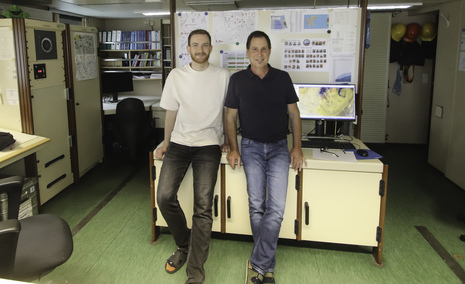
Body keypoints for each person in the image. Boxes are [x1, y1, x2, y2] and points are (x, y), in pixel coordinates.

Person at [224, 30, 306, 284]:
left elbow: (294, 114)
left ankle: (258, 264)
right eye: (255, 49)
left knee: (277, 208)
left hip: (280, 147)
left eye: (264, 49)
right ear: (248, 52)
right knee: (257, 205)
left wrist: (297, 147)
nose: (259, 54)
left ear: (270, 52)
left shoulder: (282, 78)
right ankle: (267, 267)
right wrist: (234, 147)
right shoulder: (237, 80)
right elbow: (230, 117)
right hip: (250, 147)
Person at [155, 29, 230, 284]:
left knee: (203, 207)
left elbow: (230, 113)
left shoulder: (223, 76)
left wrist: (230, 142)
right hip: (178, 142)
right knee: (164, 197)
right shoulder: (176, 75)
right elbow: (171, 113)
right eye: (195, 45)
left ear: (211, 48)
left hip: (209, 145)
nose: (200, 49)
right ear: (187, 49)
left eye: (205, 45)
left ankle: (195, 273)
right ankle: (184, 245)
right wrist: (165, 143)